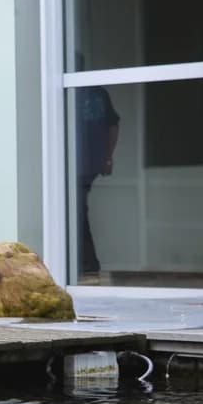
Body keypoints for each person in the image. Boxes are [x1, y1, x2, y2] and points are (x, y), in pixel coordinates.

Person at [74, 54, 120, 277]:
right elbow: (114, 126)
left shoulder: (85, 91)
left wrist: (107, 157)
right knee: (78, 211)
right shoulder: (96, 92)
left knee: (76, 211)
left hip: (82, 163)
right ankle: (85, 264)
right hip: (84, 162)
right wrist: (107, 157)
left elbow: (113, 125)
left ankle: (88, 265)